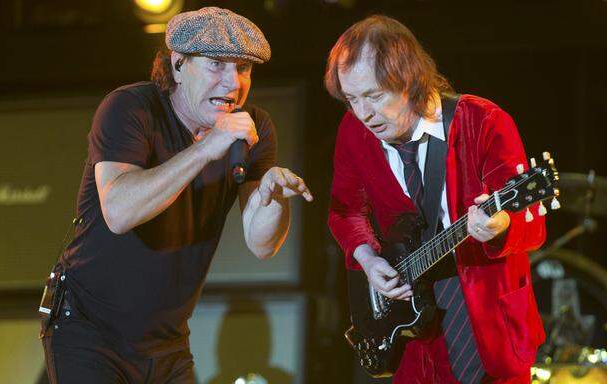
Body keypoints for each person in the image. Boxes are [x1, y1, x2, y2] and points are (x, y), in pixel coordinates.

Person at [39, 7, 312, 383]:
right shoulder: (130, 108)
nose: (233, 84)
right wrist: (206, 148)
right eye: (217, 64)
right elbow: (118, 211)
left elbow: (262, 245)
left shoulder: (253, 129)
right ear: (178, 64)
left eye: (244, 69)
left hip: (166, 342)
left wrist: (271, 197)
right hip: (90, 330)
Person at [325, 15, 545, 383]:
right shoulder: (354, 132)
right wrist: (366, 259)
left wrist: (498, 225)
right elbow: (345, 210)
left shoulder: (484, 122)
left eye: (375, 96)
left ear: (409, 80)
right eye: (352, 100)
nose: (363, 113)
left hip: (485, 319)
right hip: (410, 324)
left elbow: (532, 222)